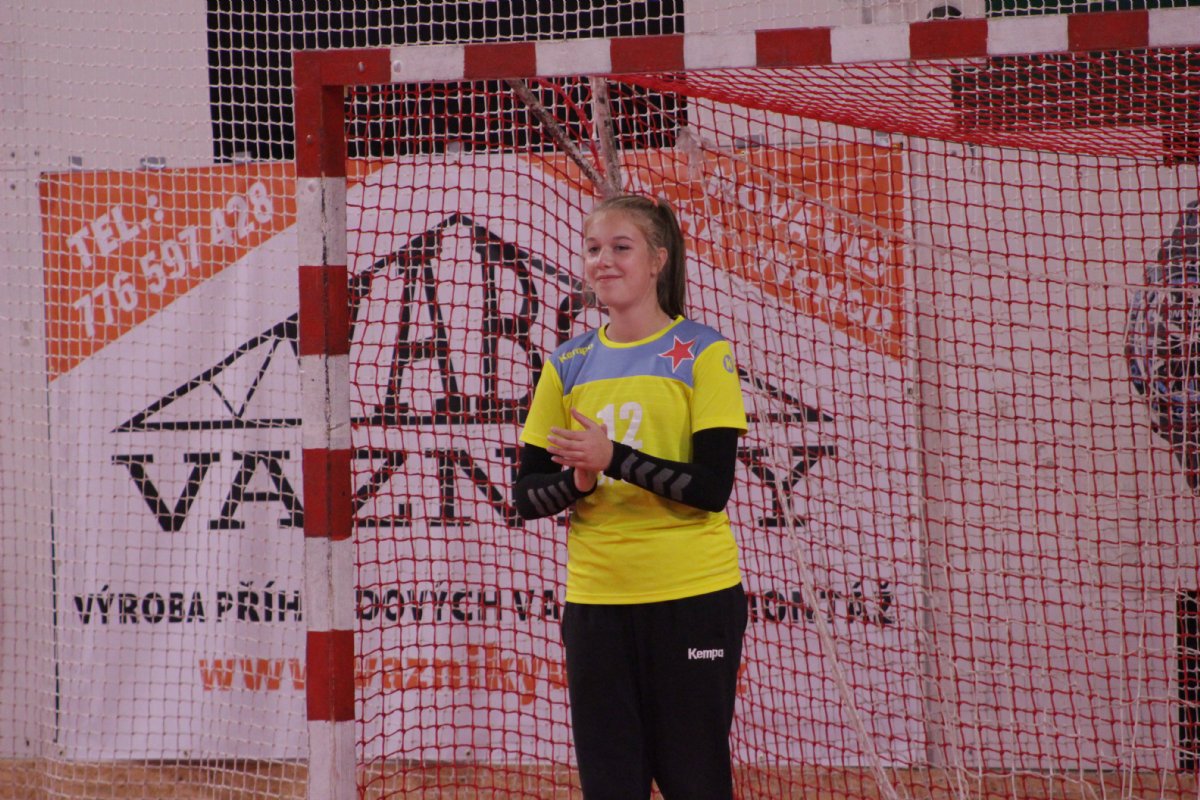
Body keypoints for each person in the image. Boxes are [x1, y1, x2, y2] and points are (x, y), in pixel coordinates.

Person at [513, 195, 749, 800]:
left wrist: (613, 458)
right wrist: (579, 483)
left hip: (692, 599)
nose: (604, 261)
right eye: (594, 248)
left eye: (622, 247)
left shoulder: (704, 351)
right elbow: (526, 496)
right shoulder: (567, 363)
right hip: (597, 607)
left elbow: (712, 489)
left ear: (658, 261)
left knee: (695, 782)